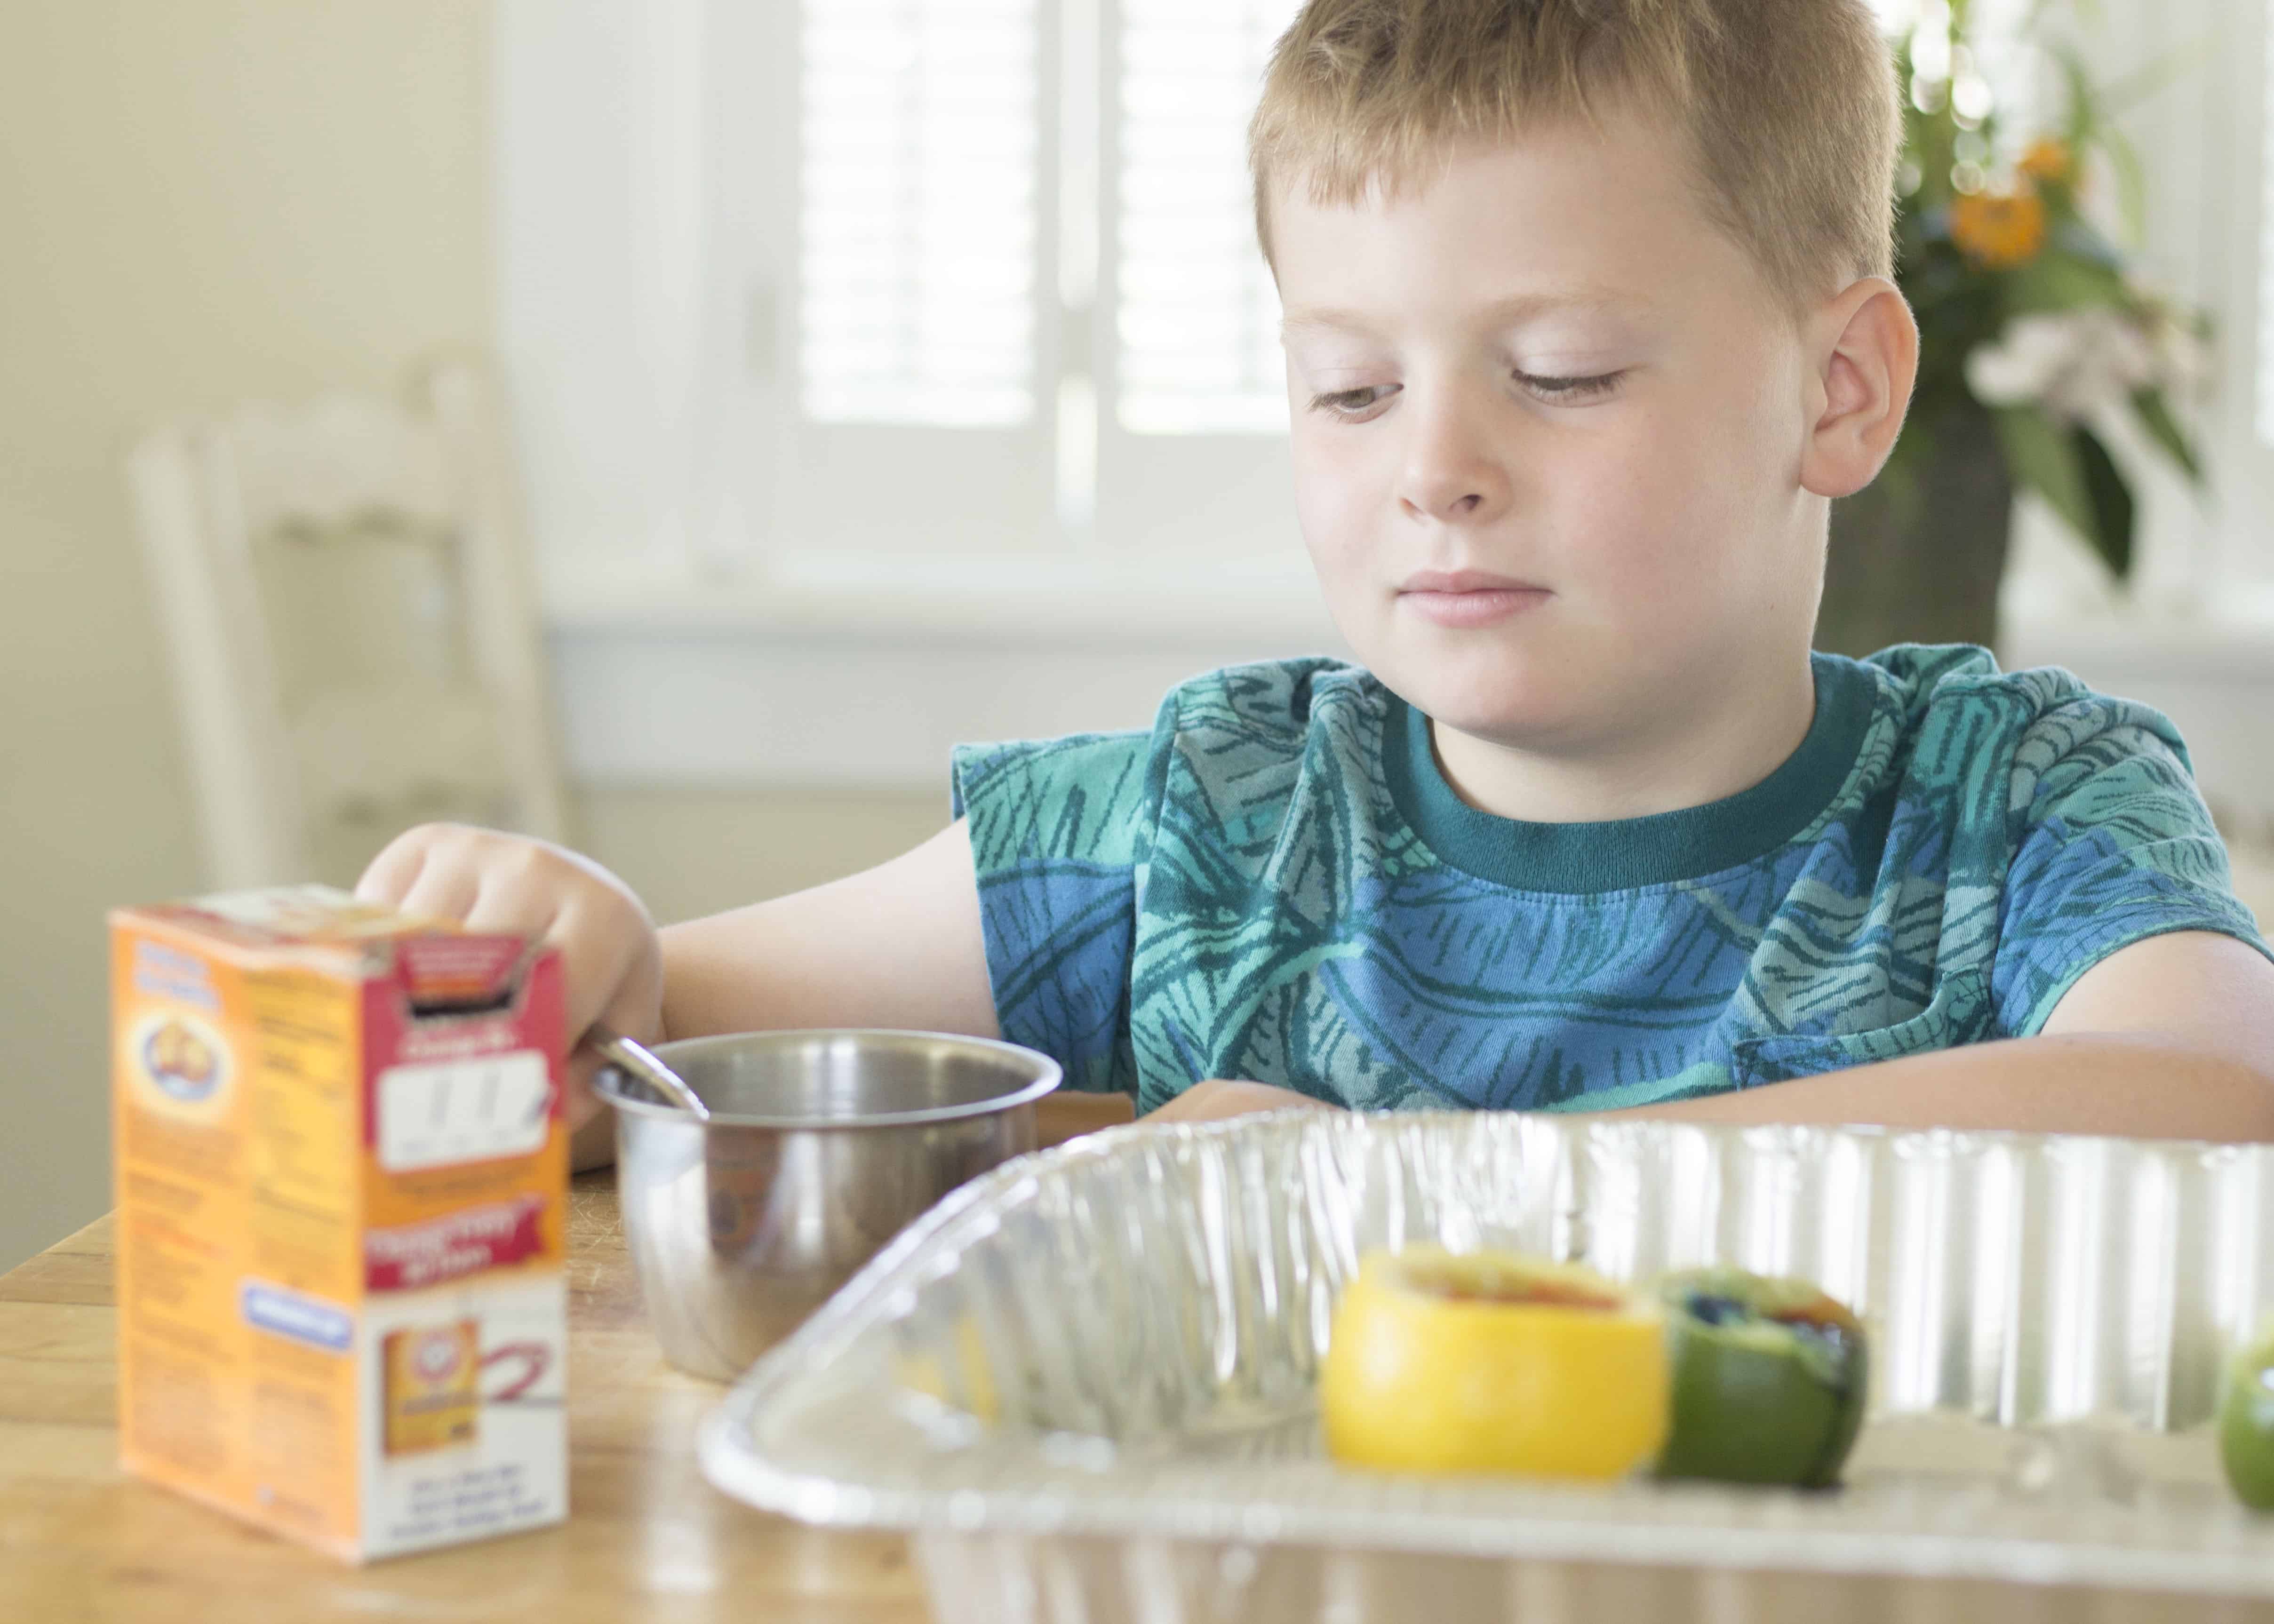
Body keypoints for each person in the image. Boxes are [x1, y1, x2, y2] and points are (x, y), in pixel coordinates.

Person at [360, 0, 2274, 1162]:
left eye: (1560, 376)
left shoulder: (2026, 804)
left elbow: (2217, 1110)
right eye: (1351, 386)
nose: (1435, 465)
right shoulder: (1215, 821)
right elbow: (666, 1053)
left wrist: (1411, 1186)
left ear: (1839, 387)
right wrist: (570, 941)